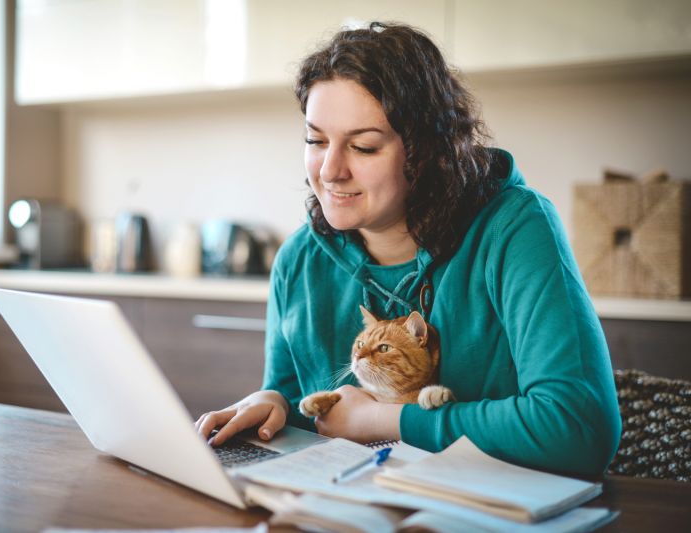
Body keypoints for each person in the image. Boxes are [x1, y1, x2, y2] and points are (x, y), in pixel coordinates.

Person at [195, 22, 621, 476]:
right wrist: (272, 403)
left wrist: (384, 419)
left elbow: (579, 428)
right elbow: (305, 413)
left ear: (424, 152)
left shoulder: (515, 228)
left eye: (363, 146)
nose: (331, 170)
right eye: (315, 140)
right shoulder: (299, 259)